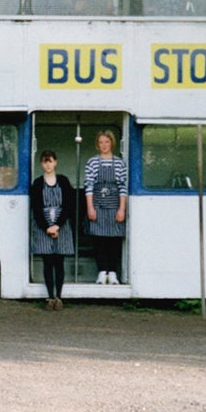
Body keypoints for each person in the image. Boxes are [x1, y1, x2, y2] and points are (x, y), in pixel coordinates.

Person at [29, 148, 75, 307]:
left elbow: (68, 205)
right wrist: (47, 227)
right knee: (47, 262)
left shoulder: (63, 181)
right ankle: (50, 296)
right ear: (41, 164)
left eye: (50, 161)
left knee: (59, 261)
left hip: (61, 225)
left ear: (55, 162)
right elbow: (36, 207)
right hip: (43, 226)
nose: (48, 165)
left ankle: (59, 296)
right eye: (45, 161)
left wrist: (57, 225)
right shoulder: (37, 183)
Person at [83, 128, 127, 285]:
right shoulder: (92, 162)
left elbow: (123, 187)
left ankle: (113, 273)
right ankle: (102, 272)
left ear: (112, 143)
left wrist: (122, 209)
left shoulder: (120, 163)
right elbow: (88, 186)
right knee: (99, 240)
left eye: (107, 142)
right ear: (97, 144)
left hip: (115, 206)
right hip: (98, 205)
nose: (104, 145)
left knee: (114, 240)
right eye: (101, 142)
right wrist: (90, 207)